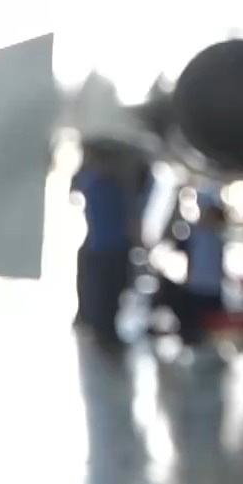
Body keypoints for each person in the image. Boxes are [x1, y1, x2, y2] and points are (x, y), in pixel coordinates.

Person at [71, 145, 139, 352]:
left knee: (111, 293)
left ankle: (104, 331)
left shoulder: (109, 185)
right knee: (103, 294)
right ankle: (103, 332)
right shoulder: (98, 183)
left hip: (112, 246)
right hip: (104, 248)